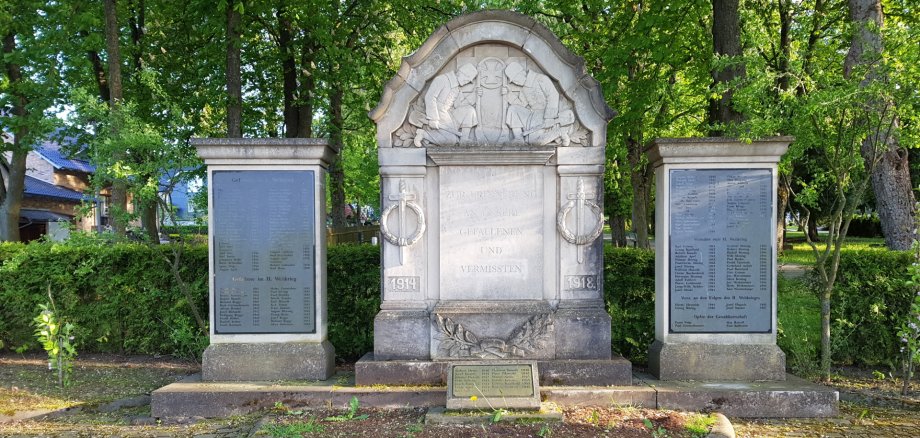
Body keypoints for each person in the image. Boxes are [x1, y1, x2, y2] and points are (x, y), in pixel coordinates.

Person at [503, 61, 573, 145]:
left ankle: (559, 132)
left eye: (515, 79)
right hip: (533, 115)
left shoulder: (541, 79)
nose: (515, 82)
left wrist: (549, 118)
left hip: (544, 114)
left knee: (534, 142)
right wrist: (508, 94)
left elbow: (553, 96)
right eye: (513, 81)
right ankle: (518, 138)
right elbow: (521, 104)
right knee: (513, 109)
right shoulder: (524, 88)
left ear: (521, 73)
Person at [413, 63, 479, 146]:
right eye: (468, 79)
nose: (468, 82)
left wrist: (475, 95)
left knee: (469, 110)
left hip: (449, 114)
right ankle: (424, 134)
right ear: (461, 73)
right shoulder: (442, 79)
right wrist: (433, 118)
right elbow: (430, 97)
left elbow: (460, 105)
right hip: (438, 113)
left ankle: (464, 139)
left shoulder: (457, 88)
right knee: (451, 140)